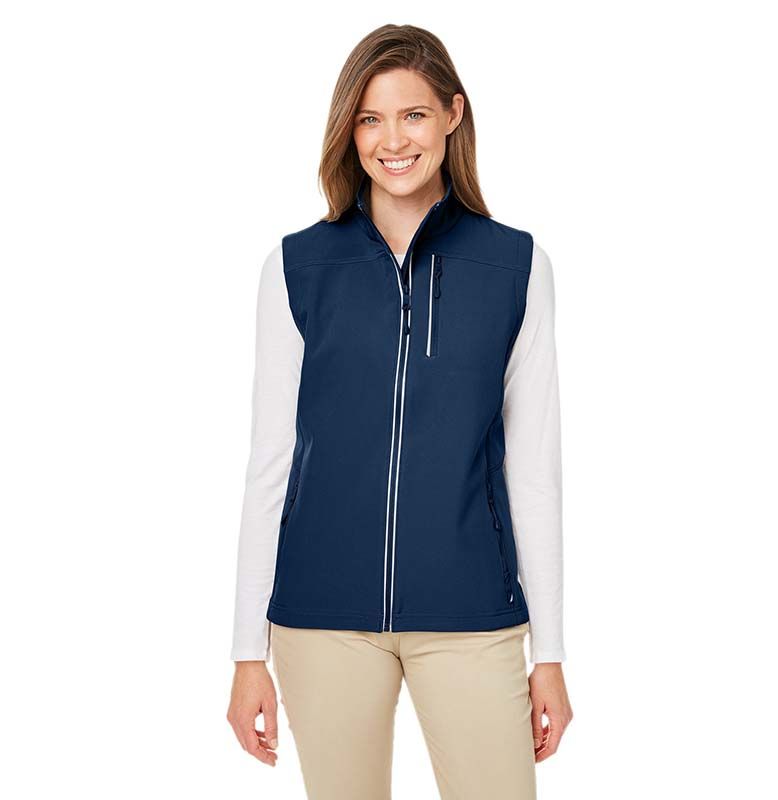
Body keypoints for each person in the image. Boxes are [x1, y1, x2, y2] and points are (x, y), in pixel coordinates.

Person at [227, 23, 573, 800]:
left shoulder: (516, 267)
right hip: (322, 619)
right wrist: (248, 650)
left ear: (453, 114)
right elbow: (270, 463)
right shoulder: (298, 267)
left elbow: (534, 471)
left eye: (413, 114)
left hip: (473, 614)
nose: (393, 140)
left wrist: (549, 652)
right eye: (370, 119)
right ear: (348, 131)